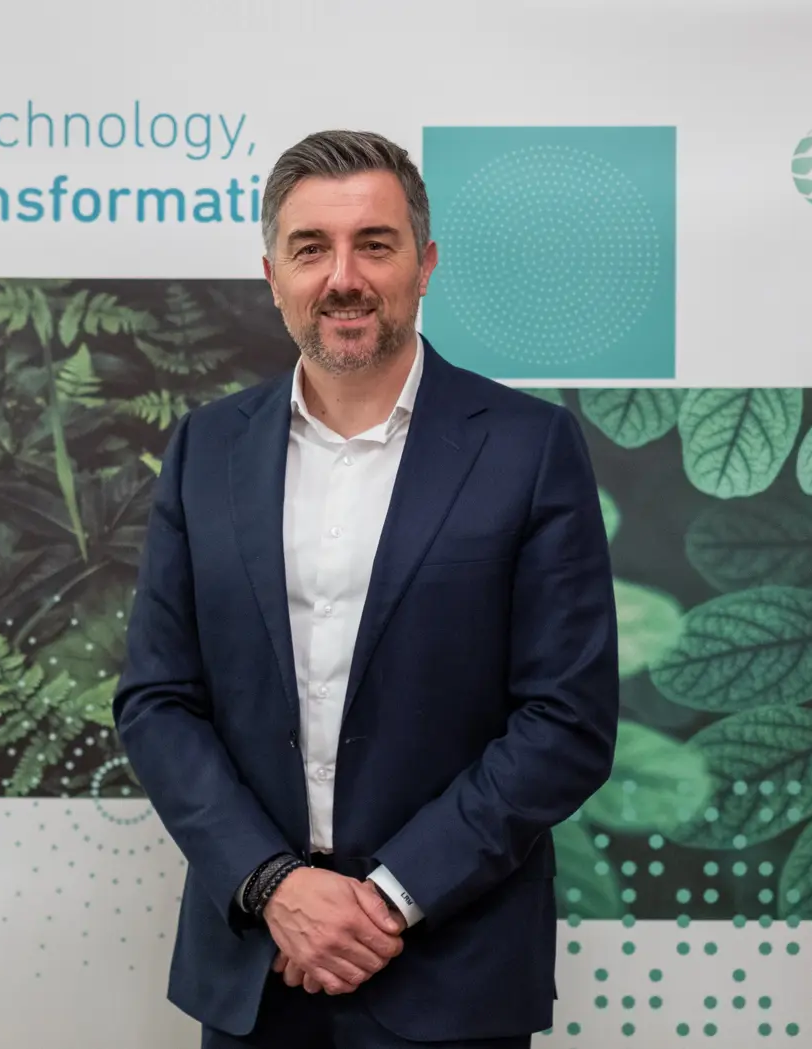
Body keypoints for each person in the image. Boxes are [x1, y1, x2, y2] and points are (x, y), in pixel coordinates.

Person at [112, 129, 620, 1049]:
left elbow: (566, 720)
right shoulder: (205, 449)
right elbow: (157, 699)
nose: (343, 277)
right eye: (311, 248)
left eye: (374, 244)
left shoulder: (528, 447)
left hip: (451, 971)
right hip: (257, 970)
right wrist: (274, 885)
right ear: (273, 274)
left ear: (425, 263)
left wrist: (386, 899)